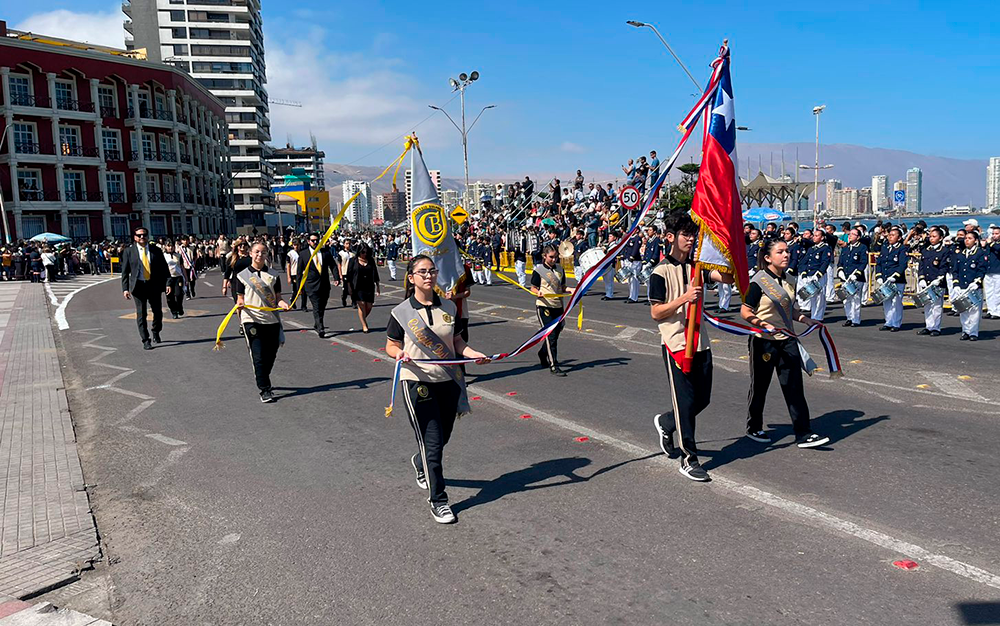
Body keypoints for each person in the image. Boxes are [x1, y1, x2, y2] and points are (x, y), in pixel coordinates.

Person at [385, 255, 491, 524]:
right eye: (422, 272)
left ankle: (420, 463)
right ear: (412, 278)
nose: (429, 276)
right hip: (417, 382)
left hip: (448, 380)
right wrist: (398, 354)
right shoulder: (401, 313)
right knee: (432, 442)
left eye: (432, 271)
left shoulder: (449, 307)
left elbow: (456, 341)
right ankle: (439, 500)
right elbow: (391, 345)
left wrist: (473, 354)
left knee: (443, 437)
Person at [648, 211, 735, 482]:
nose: (690, 239)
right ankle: (689, 458)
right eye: (685, 234)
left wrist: (729, 254)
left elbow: (727, 279)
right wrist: (684, 298)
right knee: (685, 403)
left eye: (692, 234)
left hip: (700, 343)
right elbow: (656, 312)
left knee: (702, 399)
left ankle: (666, 422)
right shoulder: (659, 272)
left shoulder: (697, 267)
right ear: (670, 237)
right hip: (676, 344)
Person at [740, 238, 831, 449]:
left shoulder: (790, 279)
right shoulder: (758, 281)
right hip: (763, 341)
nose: (786, 255)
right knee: (760, 386)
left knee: (794, 387)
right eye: (780, 252)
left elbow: (791, 309)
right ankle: (754, 426)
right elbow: (745, 311)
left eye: (787, 251)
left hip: (787, 339)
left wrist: (805, 319)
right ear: (768, 258)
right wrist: (762, 324)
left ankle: (803, 433)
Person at [236, 242, 290, 403]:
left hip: (271, 320)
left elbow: (278, 298)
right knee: (258, 356)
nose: (260, 255)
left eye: (263, 252)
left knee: (270, 355)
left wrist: (284, 304)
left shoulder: (273, 275)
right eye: (257, 252)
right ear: (251, 254)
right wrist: (240, 308)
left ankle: (262, 375)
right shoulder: (242, 276)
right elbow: (240, 299)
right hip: (251, 320)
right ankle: (265, 389)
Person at [120, 227, 170, 350]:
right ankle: (145, 340)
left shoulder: (156, 250)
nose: (142, 237)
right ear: (135, 237)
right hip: (138, 286)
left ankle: (156, 331)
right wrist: (125, 288)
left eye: (144, 235)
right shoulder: (128, 251)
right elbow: (125, 272)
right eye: (139, 235)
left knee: (157, 312)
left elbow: (164, 268)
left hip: (154, 285)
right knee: (141, 314)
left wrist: (168, 283)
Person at [530, 243, 573, 376]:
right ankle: (553, 365)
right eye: (551, 257)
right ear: (544, 256)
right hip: (544, 306)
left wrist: (572, 290)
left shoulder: (560, 269)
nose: (554, 260)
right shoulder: (539, 270)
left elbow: (563, 287)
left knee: (556, 333)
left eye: (556, 257)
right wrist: (537, 292)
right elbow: (533, 287)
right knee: (551, 335)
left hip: (558, 306)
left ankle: (543, 353)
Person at [301, 233, 341, 338]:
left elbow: (333, 265)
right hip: (311, 285)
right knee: (316, 306)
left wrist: (336, 278)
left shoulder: (325, 252)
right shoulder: (303, 254)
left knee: (322, 306)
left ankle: (317, 323)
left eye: (316, 240)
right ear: (308, 241)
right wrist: (298, 288)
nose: (315, 242)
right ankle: (320, 327)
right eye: (313, 240)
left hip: (324, 285)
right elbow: (299, 271)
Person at [952, 230, 988, 341]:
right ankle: (965, 331)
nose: (967, 240)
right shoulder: (960, 254)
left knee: (974, 311)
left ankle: (973, 332)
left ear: (976, 240)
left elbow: (982, 269)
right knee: (963, 311)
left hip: (974, 286)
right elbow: (955, 270)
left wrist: (977, 282)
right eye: (966, 238)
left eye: (970, 238)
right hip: (962, 286)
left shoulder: (980, 253)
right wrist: (956, 284)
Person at [917, 226, 949, 337]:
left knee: (936, 306)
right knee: (927, 305)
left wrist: (939, 278)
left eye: (934, 236)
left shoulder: (944, 251)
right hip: (926, 281)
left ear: (941, 238)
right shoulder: (926, 250)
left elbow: (944, 267)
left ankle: (936, 327)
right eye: (930, 236)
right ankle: (928, 326)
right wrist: (921, 278)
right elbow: (921, 266)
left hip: (937, 282)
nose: (931, 238)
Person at [874, 227, 907, 332]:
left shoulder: (901, 248)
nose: (890, 237)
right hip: (885, 279)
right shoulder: (885, 248)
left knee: (896, 302)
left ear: (899, 237)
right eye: (889, 235)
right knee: (886, 301)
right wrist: (879, 276)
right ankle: (888, 322)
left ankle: (896, 323)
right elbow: (879, 263)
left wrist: (895, 276)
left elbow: (902, 265)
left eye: (893, 235)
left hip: (896, 280)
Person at [346, 243, 380, 333]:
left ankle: (363, 318)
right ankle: (364, 325)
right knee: (361, 304)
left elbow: (375, 273)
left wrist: (378, 286)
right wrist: (349, 286)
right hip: (358, 286)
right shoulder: (353, 260)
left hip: (369, 286)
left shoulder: (371, 260)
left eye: (366, 252)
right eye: (363, 252)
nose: (365, 254)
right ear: (359, 252)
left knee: (369, 306)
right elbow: (349, 274)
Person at [838, 228, 868, 327]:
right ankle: (849, 318)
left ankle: (856, 319)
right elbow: (841, 262)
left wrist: (856, 274)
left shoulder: (862, 248)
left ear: (858, 237)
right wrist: (840, 271)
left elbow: (863, 262)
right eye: (849, 234)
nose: (850, 236)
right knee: (846, 299)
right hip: (845, 277)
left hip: (856, 278)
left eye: (853, 234)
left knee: (855, 299)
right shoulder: (846, 248)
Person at [801, 229, 832, 321]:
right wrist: (804, 273)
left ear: (822, 238)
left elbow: (825, 262)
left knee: (819, 297)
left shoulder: (825, 248)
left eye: (817, 235)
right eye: (813, 235)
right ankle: (813, 315)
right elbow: (805, 261)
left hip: (819, 275)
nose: (814, 237)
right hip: (810, 274)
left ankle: (818, 317)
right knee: (812, 296)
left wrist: (818, 274)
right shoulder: (811, 248)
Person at [162, 241, 187, 319]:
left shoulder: (178, 256)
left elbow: (182, 267)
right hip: (167, 279)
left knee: (179, 294)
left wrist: (186, 279)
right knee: (170, 297)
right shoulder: (163, 256)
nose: (170, 247)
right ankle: (174, 311)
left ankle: (179, 307)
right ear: (165, 247)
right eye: (168, 246)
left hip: (177, 277)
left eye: (171, 246)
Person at [286, 239, 308, 312]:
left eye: (298, 245)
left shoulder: (303, 253)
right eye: (295, 245)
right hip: (294, 273)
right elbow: (288, 265)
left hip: (303, 273)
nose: (296, 247)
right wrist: (289, 277)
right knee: (296, 290)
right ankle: (293, 300)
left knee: (304, 290)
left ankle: (303, 306)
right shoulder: (290, 254)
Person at [983, 226, 1000, 319]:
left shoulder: (995, 244)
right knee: (989, 292)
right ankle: (990, 309)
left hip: (998, 271)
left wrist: (992, 244)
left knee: (997, 292)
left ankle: (997, 311)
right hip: (988, 271)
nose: (994, 235)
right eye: (993, 234)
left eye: (996, 234)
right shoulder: (990, 244)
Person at [622, 231, 642, 304]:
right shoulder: (630, 237)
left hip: (635, 261)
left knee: (634, 279)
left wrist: (632, 257)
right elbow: (626, 248)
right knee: (630, 279)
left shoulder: (637, 238)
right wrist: (623, 257)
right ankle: (631, 295)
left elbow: (636, 249)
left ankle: (634, 297)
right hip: (628, 260)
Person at [338, 240, 354, 307]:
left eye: (349, 243)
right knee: (345, 288)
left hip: (352, 273)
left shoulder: (352, 253)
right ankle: (343, 299)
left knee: (353, 287)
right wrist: (340, 274)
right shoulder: (341, 253)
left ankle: (354, 301)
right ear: (344, 244)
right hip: (344, 272)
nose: (348, 245)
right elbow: (339, 264)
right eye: (347, 243)